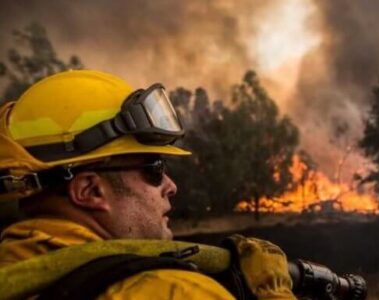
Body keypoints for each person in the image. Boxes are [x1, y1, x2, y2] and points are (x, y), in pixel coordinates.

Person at [0, 70, 295, 299]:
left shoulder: (12, 272)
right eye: (154, 169)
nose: (171, 185)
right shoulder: (169, 291)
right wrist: (273, 290)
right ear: (89, 190)